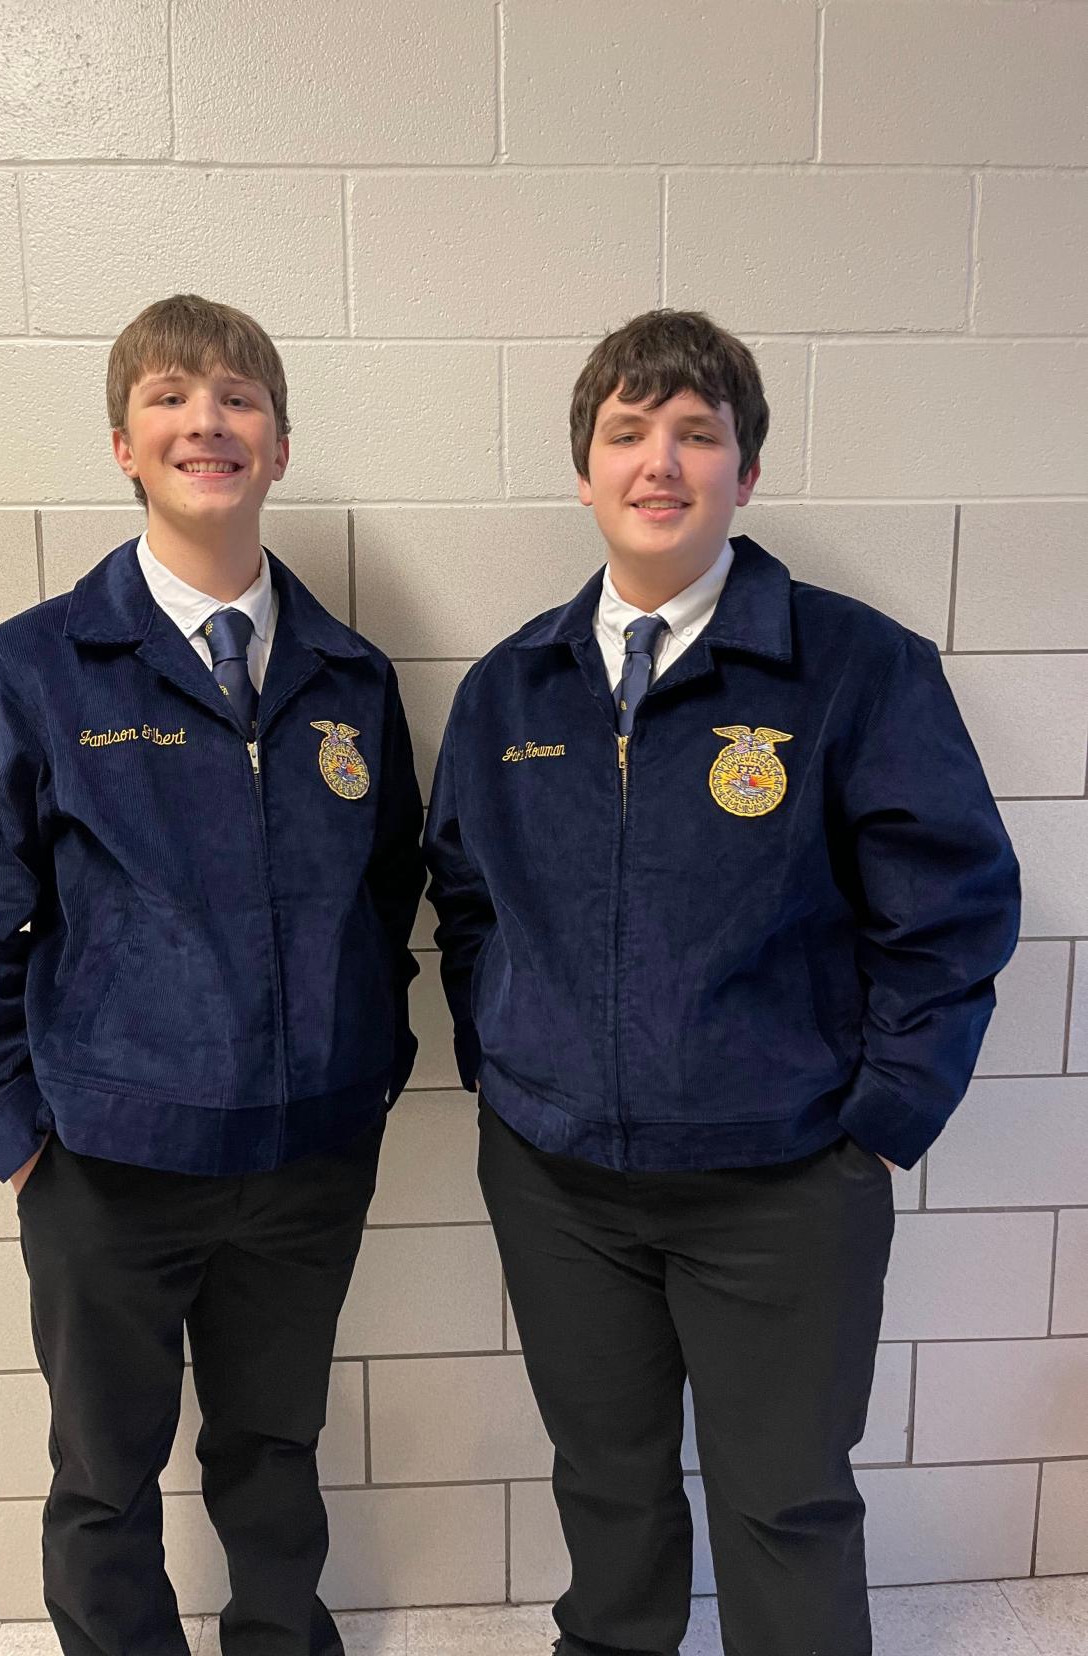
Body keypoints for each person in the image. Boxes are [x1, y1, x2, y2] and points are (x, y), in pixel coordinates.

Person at [423, 309, 1020, 1656]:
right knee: (607, 1490)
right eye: (626, 433)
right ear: (582, 470)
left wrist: (874, 1121)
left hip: (781, 1185)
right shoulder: (512, 689)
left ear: (744, 473)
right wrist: (512, 1061)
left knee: (785, 1503)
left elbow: (953, 907)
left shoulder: (852, 669)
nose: (659, 462)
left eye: (696, 434)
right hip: (556, 1180)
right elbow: (463, 899)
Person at [0, 293, 424, 1656]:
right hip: (104, 1166)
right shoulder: (29, 674)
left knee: (273, 1454)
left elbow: (389, 889)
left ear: (280, 444)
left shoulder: (348, 677)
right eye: (173, 397)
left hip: (303, 1164)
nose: (208, 421)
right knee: (104, 1478)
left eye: (239, 397)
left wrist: (364, 1074)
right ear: (124, 443)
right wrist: (18, 1142)